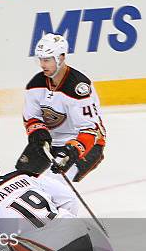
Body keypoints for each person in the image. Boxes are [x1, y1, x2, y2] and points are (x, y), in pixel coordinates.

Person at [16, 33, 106, 183]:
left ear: (61, 57)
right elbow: (31, 117)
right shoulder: (36, 84)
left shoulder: (78, 88)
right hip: (51, 142)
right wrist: (38, 133)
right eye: (40, 60)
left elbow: (90, 130)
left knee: (55, 184)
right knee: (21, 181)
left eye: (47, 60)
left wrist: (72, 151)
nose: (42, 65)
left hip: (86, 145)